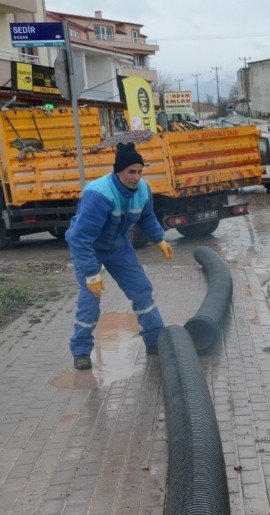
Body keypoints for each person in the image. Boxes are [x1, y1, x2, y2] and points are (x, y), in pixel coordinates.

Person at [66, 142, 174, 370]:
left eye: (139, 171)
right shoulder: (99, 194)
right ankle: (81, 351)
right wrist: (90, 274)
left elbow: (146, 217)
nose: (136, 177)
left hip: (118, 247)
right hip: (90, 248)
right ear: (119, 171)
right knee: (90, 299)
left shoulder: (143, 190)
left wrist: (159, 238)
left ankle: (155, 340)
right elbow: (80, 238)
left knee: (141, 290)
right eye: (131, 172)